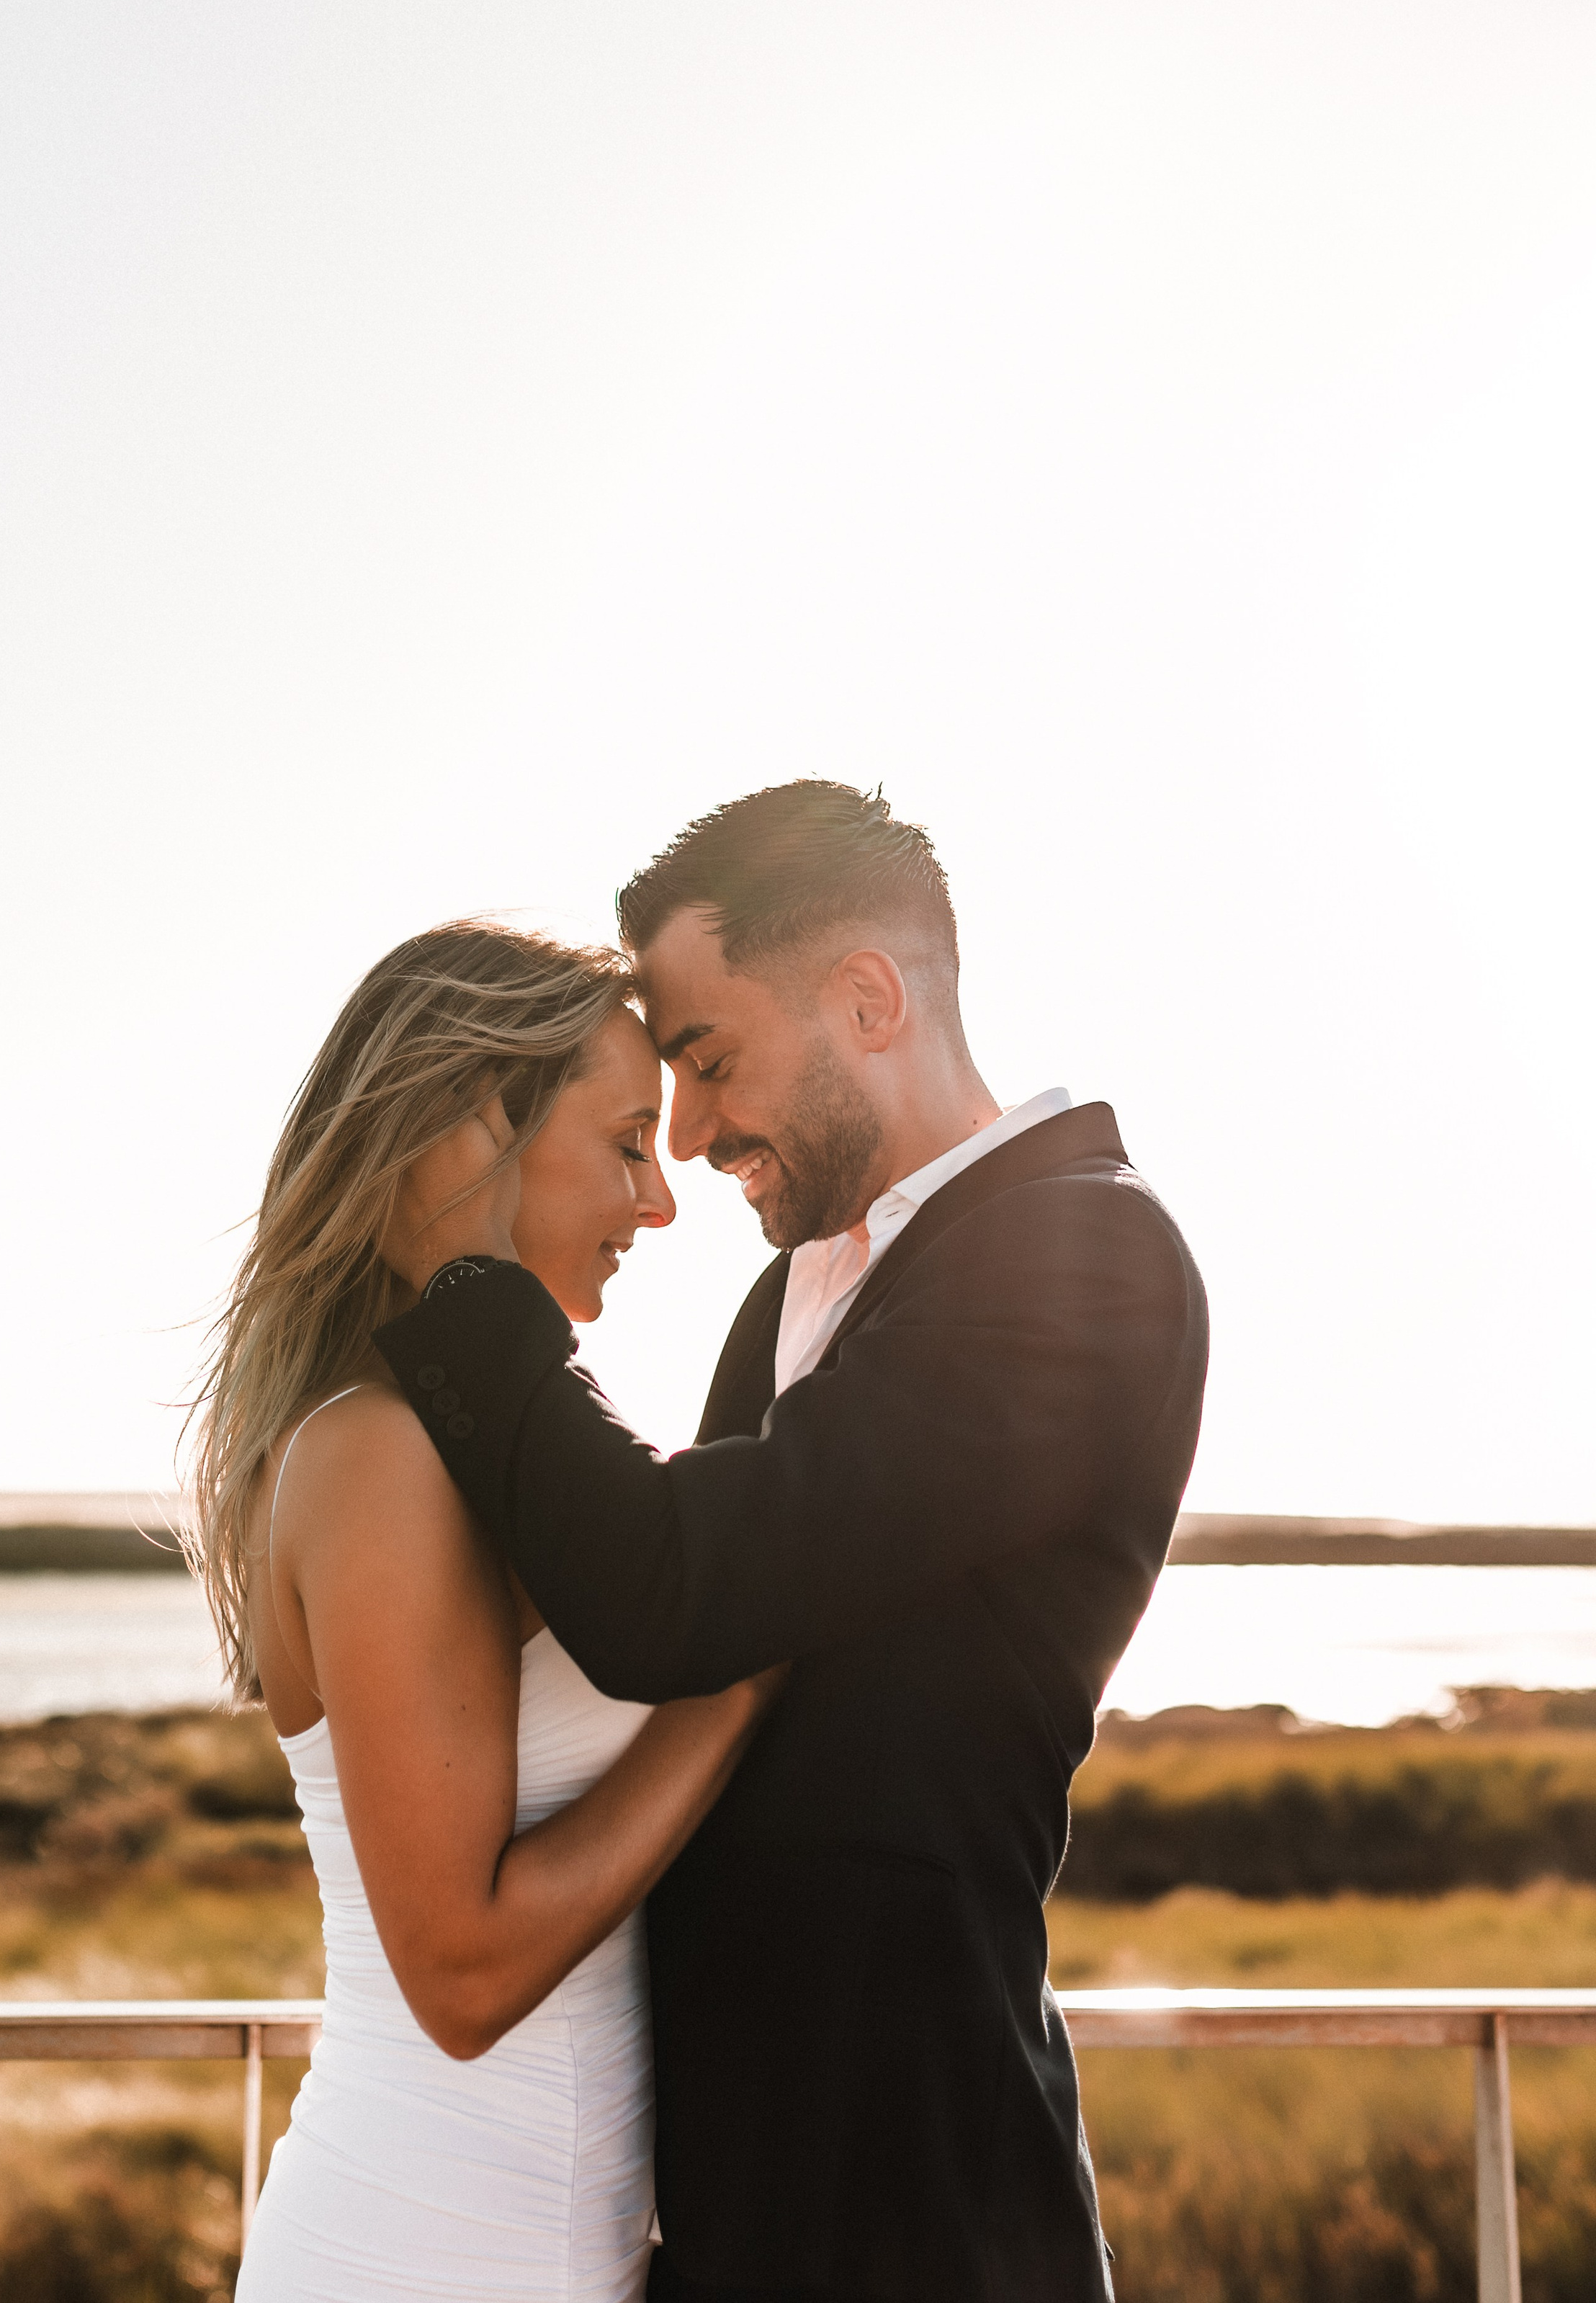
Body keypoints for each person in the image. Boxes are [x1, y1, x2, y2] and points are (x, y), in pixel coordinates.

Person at [374, 782, 1211, 2303]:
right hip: (727, 2220)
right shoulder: (795, 1289)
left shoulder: (1085, 1252)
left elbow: (669, 1592)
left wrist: (462, 1282)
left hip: (927, 2221)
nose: (690, 1135)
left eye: (708, 1062)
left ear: (868, 1001)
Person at [186, 922, 781, 2303]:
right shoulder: (378, 1453)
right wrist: (738, 1682)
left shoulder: (458, 1440)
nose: (660, 1201)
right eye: (626, 1142)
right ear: (472, 1128)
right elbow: (461, 1973)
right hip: (425, 2256)